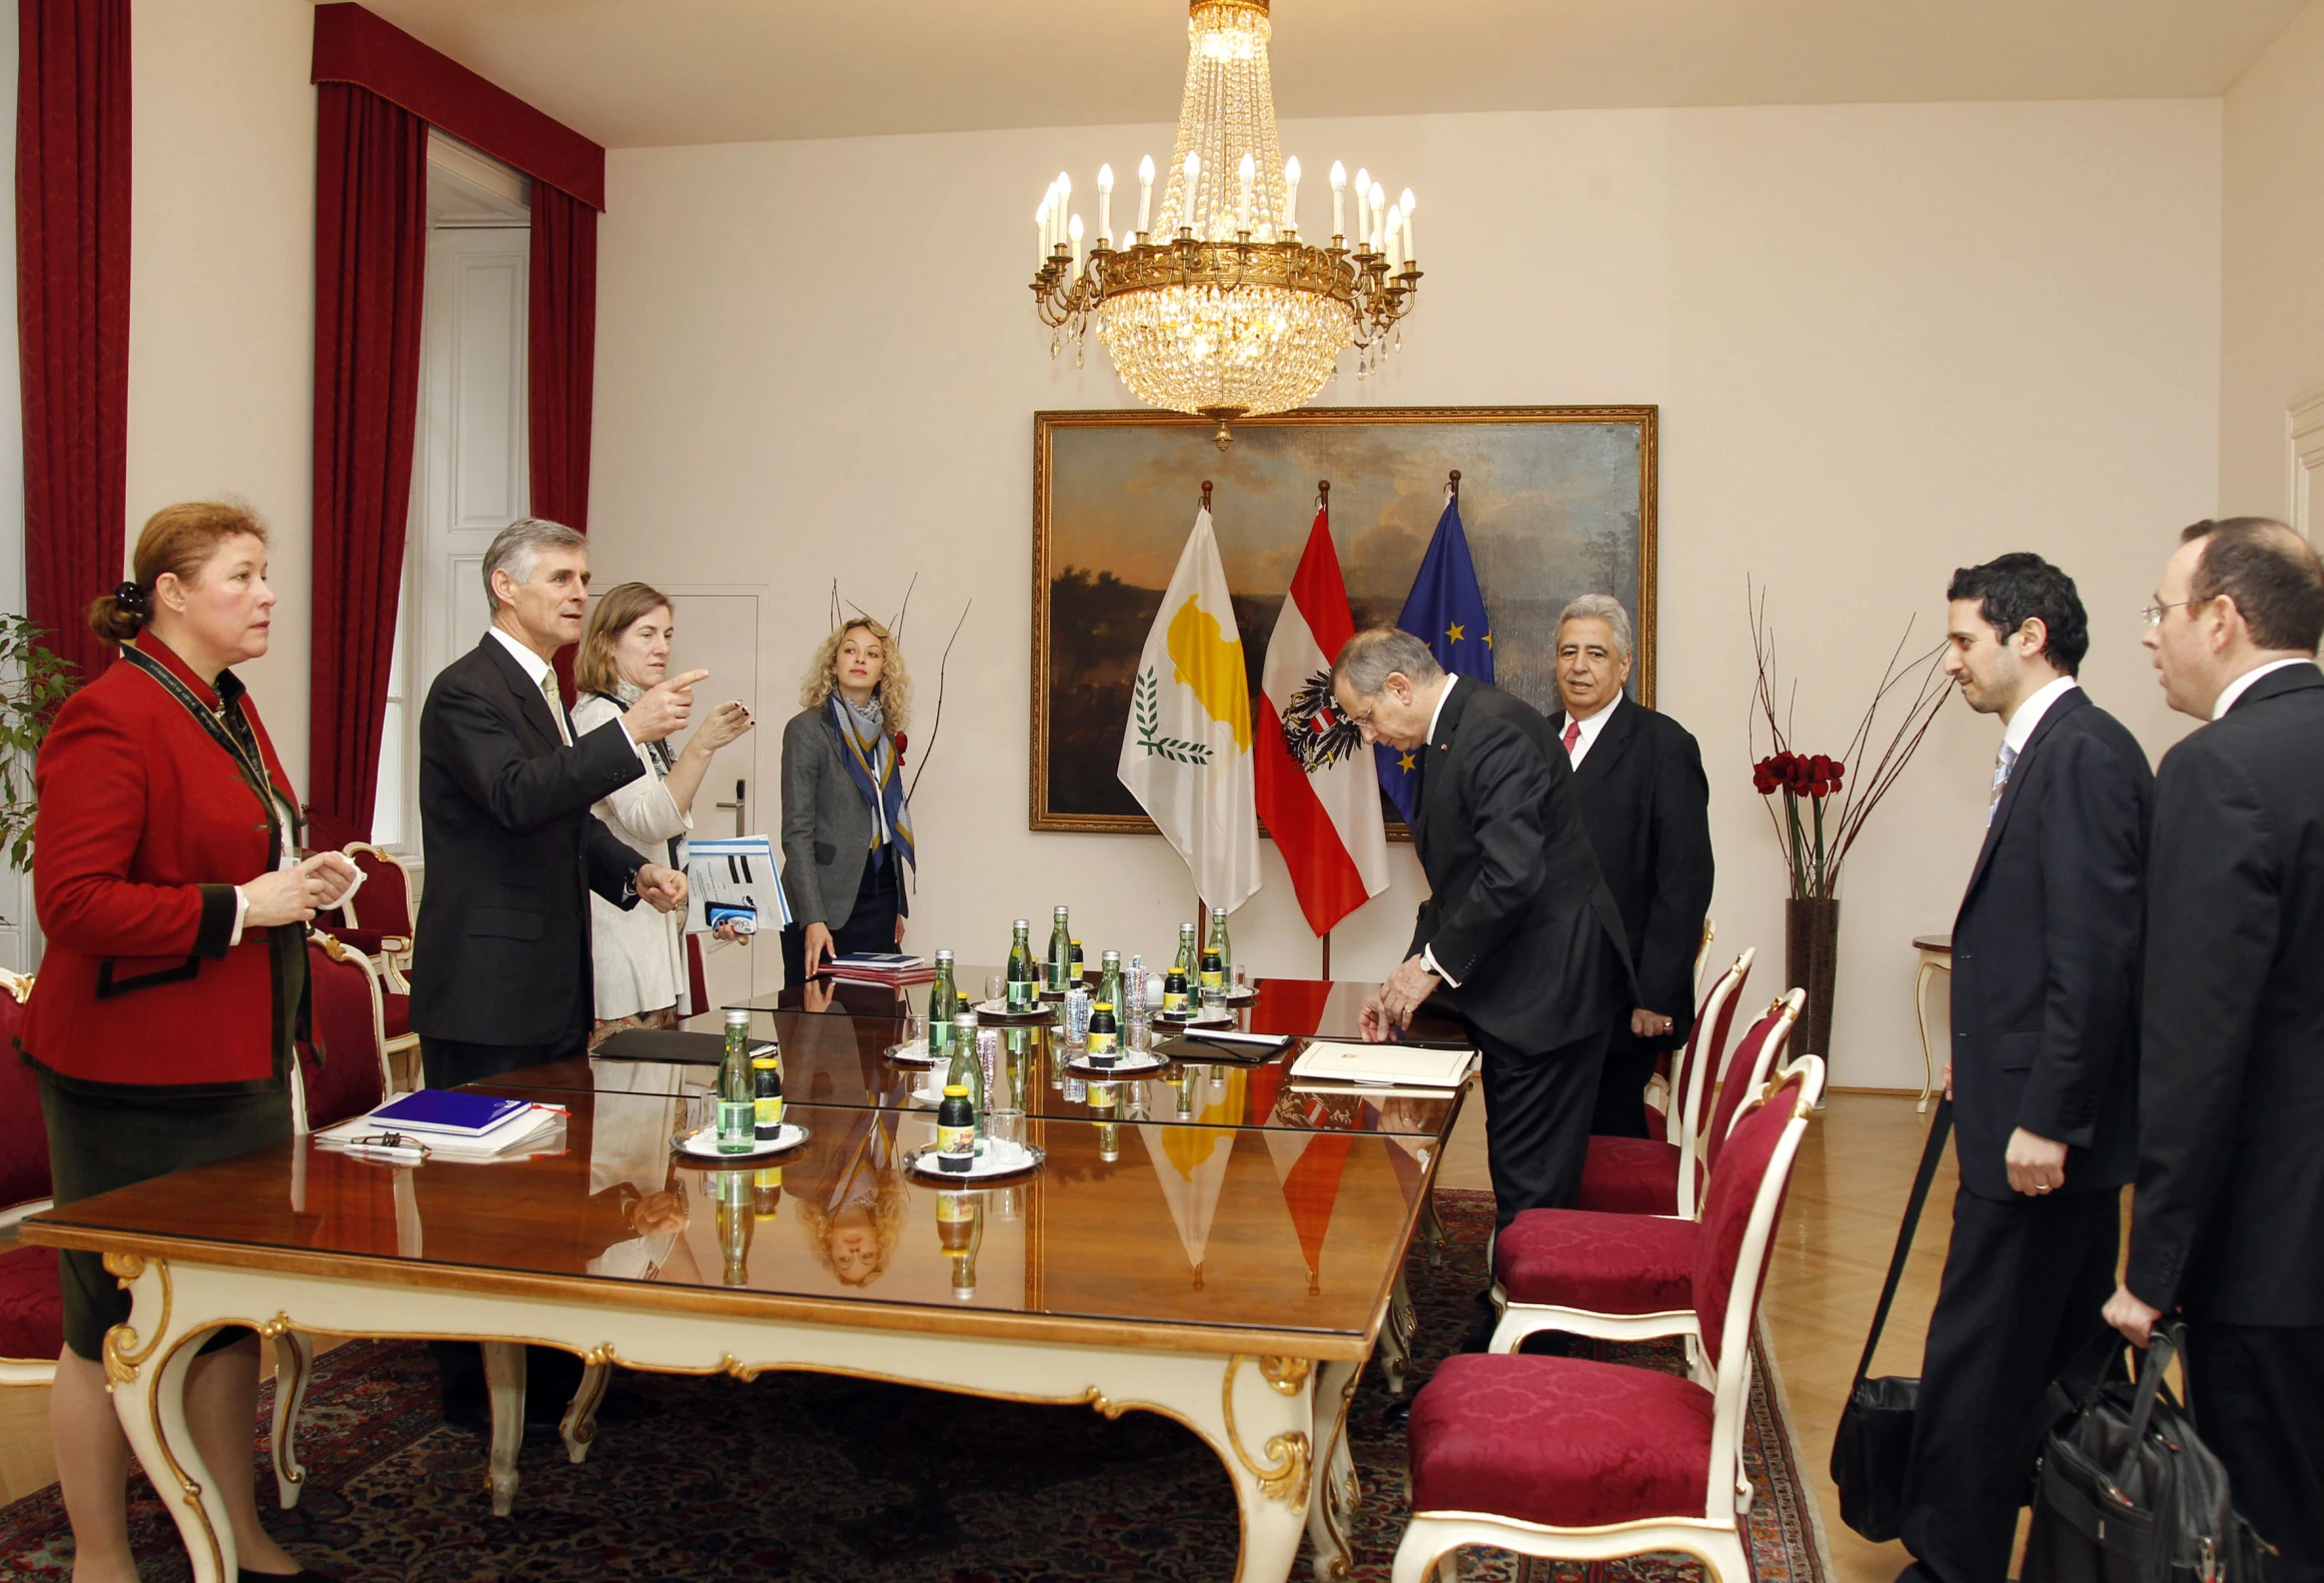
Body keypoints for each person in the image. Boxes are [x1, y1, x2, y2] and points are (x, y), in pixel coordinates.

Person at [24, 501, 358, 1583]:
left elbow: (245, 851)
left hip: (238, 1065)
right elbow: (73, 903)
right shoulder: (108, 714)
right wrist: (240, 908)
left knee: (225, 1318)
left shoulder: (224, 705)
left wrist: (305, 885)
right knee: (107, 1325)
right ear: (170, 592)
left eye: (268, 576)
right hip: (127, 1075)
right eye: (245, 576)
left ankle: (233, 1529)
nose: (268, 595)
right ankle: (101, 1553)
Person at [1896, 554, 2151, 1583]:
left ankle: (1951, 1563)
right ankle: (2069, 1546)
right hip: (2026, 1109)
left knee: (1984, 1356)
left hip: (2042, 1137)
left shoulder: (2083, 754)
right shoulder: (2053, 747)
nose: (1950, 661)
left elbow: (2096, 959)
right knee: (2054, 1355)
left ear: (2028, 636)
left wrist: (2046, 1114)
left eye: (1964, 640)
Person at [2105, 518, 2324, 1583]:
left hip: (2272, 1251)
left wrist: (2151, 1273)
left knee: (2267, 1524)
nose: (2151, 636)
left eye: (2162, 611)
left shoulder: (2218, 771)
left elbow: (2197, 1044)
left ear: (2223, 622)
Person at [1330, 628, 1632, 1230]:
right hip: (1524, 977)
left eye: (1364, 718)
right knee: (1518, 1170)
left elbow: (1511, 876)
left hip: (1552, 990)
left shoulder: (1491, 732)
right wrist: (1404, 977)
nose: (1367, 735)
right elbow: (1457, 887)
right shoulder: (1452, 733)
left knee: (1532, 1184)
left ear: (1398, 687)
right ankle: (1510, 1297)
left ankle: (1533, 1317)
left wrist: (1429, 969)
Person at [409, 519, 695, 1088]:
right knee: (488, 1174)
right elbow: (514, 797)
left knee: (554, 1168)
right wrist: (629, 731)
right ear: (505, 586)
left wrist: (635, 871)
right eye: (560, 577)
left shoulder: (544, 692)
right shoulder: (465, 688)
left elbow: (563, 812)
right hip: (487, 991)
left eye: (584, 578)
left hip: (551, 985)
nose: (579, 594)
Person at [1545, 594, 1714, 1138]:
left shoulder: (1665, 746)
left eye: (1596, 653)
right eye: (1568, 651)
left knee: (1605, 1140)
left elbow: (1684, 882)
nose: (1578, 666)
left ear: (1624, 664)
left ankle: (1613, 1228)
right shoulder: (1532, 740)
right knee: (1534, 1139)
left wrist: (1656, 996)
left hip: (1621, 1002)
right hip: (1537, 992)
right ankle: (1534, 1225)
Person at [571, 581, 754, 1045]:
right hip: (619, 938)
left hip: (652, 935)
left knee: (662, 1103)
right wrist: (704, 744)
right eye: (646, 634)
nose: (662, 648)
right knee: (629, 1104)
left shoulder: (639, 717)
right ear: (607, 644)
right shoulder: (599, 717)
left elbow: (671, 846)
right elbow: (650, 820)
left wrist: (716, 911)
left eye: (668, 635)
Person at [780, 618, 915, 985]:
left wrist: (896, 907)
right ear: (833, 663)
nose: (860, 659)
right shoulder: (807, 729)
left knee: (879, 1023)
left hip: (879, 893)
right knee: (817, 1031)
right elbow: (796, 832)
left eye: (872, 654)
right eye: (850, 650)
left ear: (883, 670)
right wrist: (813, 919)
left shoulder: (885, 734)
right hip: (823, 902)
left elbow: (887, 818)